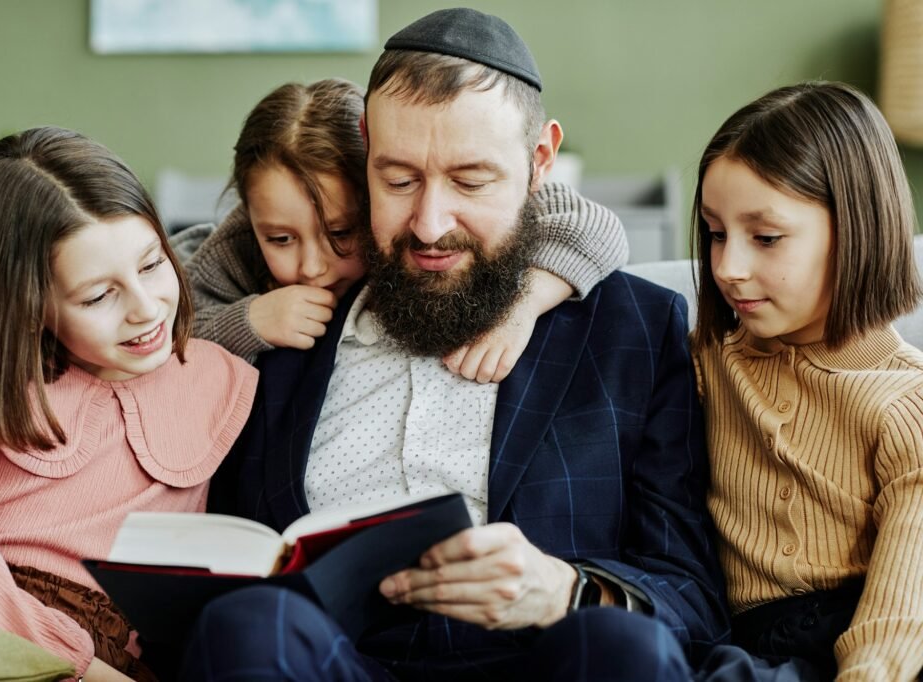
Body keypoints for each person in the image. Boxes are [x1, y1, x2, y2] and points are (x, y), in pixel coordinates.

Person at [190, 9, 728, 681]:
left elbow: (694, 601)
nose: (429, 224)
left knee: (625, 648)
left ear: (539, 163)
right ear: (365, 153)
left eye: (471, 181)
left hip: (548, 662)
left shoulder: (635, 330)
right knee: (245, 625)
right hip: (334, 664)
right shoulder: (281, 314)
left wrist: (565, 590)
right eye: (398, 180)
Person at [0, 127, 258, 681]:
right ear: (27, 305)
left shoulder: (219, 372)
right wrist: (82, 666)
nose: (146, 309)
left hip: (126, 645)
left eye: (152, 264)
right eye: (98, 295)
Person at [690, 82, 923, 681]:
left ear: (858, 228)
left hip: (868, 637)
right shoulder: (705, 360)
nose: (728, 269)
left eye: (765, 238)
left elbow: (901, 607)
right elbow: (578, 229)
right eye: (716, 233)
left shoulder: (908, 401)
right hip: (739, 645)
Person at [183, 76, 628, 382]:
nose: (313, 266)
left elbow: (597, 227)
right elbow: (167, 326)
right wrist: (248, 321)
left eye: (341, 233)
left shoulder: (410, 215)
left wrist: (523, 305)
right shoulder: (239, 242)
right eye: (280, 239)